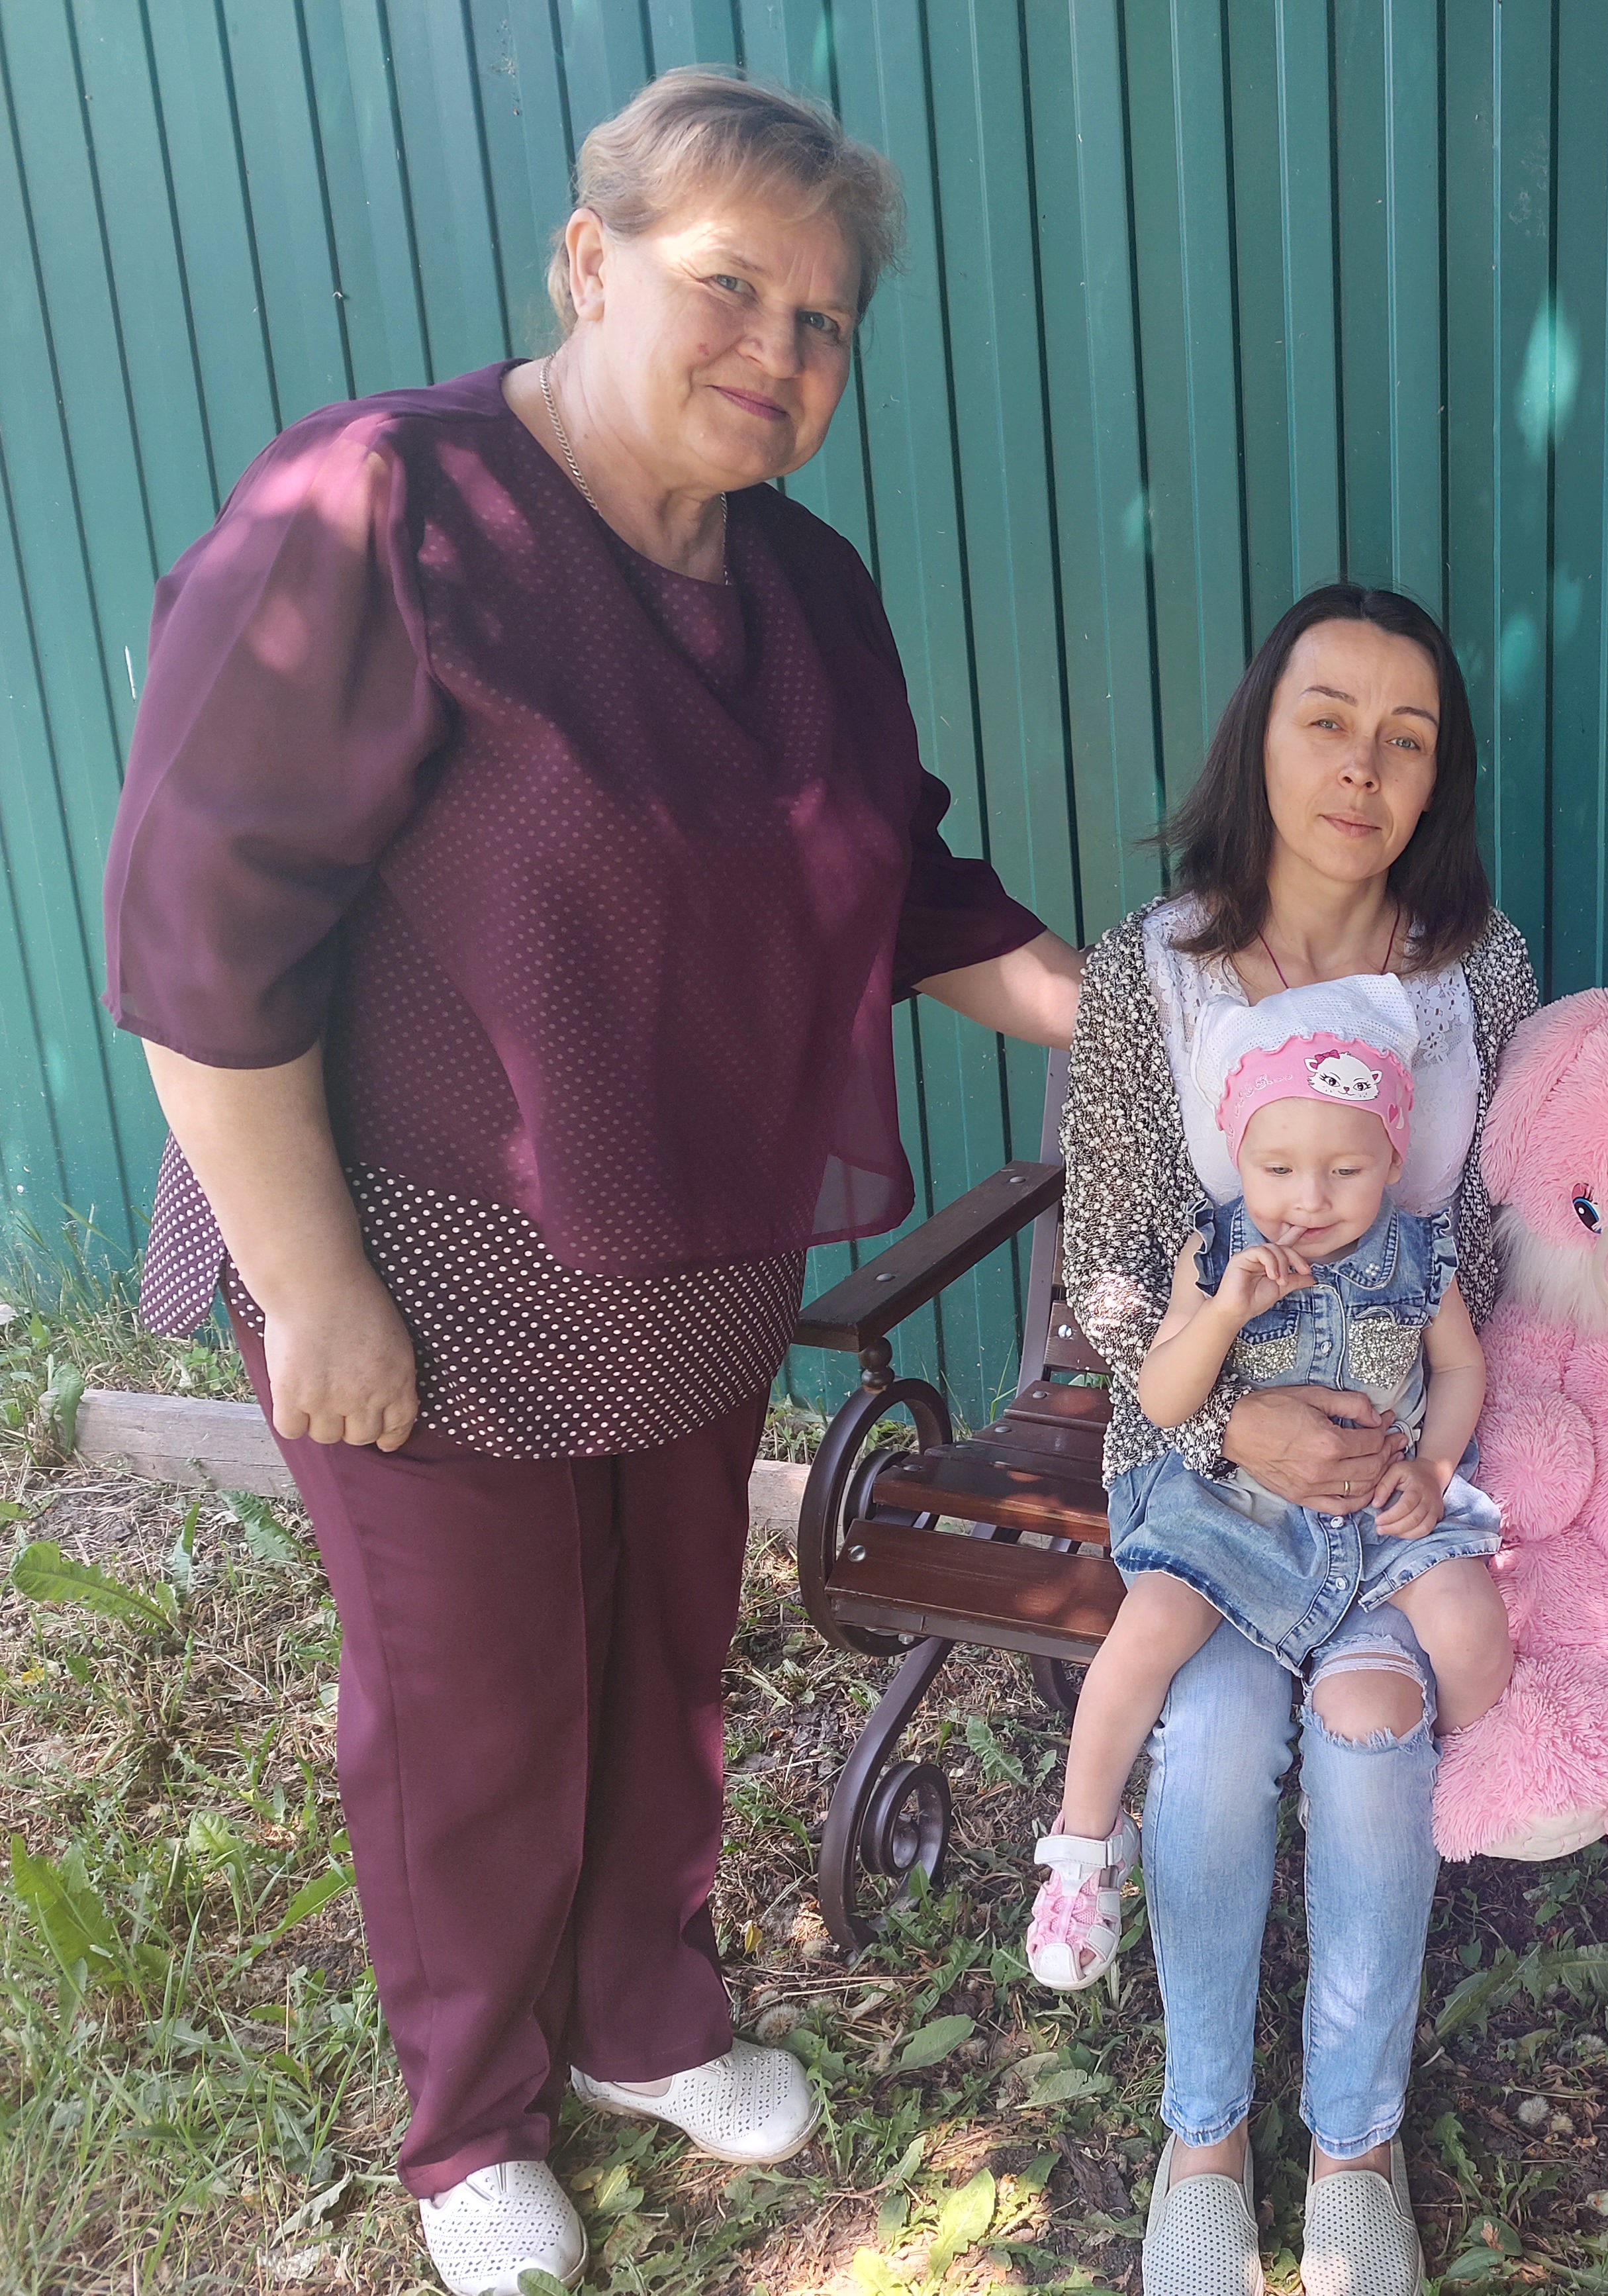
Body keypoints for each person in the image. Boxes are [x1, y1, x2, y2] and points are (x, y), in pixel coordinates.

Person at [98, 69, 1079, 2296]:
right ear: (587, 262)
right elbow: (198, 940)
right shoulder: (382, 512)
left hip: (684, 1263)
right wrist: (310, 1285)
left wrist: (1143, 1010)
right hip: (417, 1261)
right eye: (731, 286)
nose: (778, 350)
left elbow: (909, 886)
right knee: (476, 1711)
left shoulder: (805, 589)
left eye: (822, 323)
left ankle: (642, 2012)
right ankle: (471, 2116)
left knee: (664, 1668)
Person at [1055, 583, 1538, 2296]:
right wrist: (1233, 1418)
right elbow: (1108, 1263)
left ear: (1437, 777)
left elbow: (1484, 1243)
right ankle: (1202, 2137)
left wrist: (1409, 1447)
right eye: (1326, 720)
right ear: (1258, 736)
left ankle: (1355, 2142)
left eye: (1407, 739)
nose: (1362, 767)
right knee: (1206, 1739)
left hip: (1396, 1465)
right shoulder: (1154, 965)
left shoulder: (1479, 967)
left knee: (1371, 1730)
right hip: (1203, 1460)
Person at [1028, 976, 1511, 1991]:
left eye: (1346, 1169)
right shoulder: (1214, 1253)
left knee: (1472, 1623)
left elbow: (1462, 1366)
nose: (1310, 1198)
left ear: (1394, 1159)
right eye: (1277, 1167)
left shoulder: (1419, 1252)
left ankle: (1465, 1792)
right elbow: (1165, 1398)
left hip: (1380, 1504)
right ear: (1237, 1154)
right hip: (1235, 1507)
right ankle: (1084, 1843)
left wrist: (1434, 1467)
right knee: (1152, 1623)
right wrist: (1219, 1316)